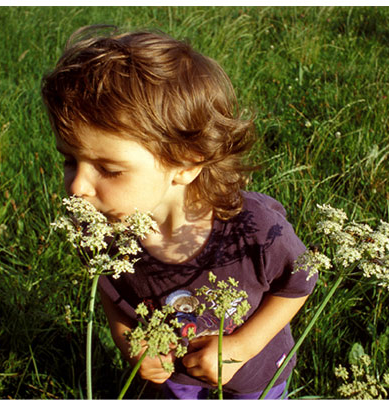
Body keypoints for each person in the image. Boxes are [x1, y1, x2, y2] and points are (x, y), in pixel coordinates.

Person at [41, 25, 317, 399]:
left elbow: (299, 281)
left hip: (254, 378)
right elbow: (110, 290)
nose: (76, 186)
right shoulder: (103, 233)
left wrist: (242, 348)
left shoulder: (254, 229)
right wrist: (129, 342)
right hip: (172, 381)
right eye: (69, 161)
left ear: (186, 164)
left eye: (109, 169)